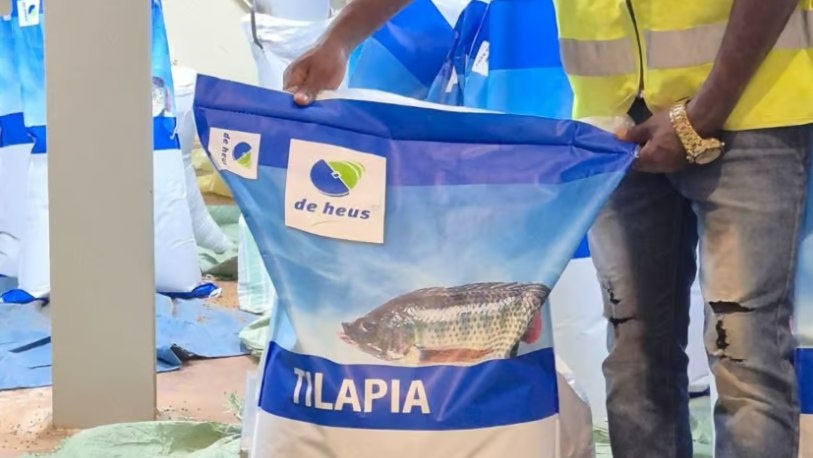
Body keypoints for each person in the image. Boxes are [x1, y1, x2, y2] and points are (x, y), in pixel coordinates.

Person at [282, 1, 813, 456]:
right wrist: (339, 39)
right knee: (636, 352)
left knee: (744, 354)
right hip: (613, 127)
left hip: (751, 108)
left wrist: (702, 114)